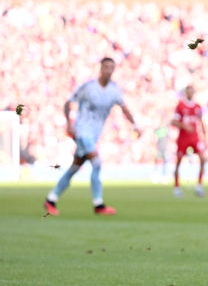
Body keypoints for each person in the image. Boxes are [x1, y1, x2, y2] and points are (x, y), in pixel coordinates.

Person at [43, 57, 140, 216]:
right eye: (106, 67)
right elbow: (68, 103)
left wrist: (135, 125)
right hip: (81, 131)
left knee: (74, 168)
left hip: (94, 135)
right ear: (101, 68)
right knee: (96, 162)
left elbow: (124, 108)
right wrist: (69, 123)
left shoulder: (114, 90)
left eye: (111, 68)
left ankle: (51, 199)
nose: (108, 70)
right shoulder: (88, 87)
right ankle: (98, 204)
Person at [171, 85, 206, 197]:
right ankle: (176, 187)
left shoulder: (197, 106)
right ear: (186, 93)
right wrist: (185, 126)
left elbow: (201, 121)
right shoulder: (180, 106)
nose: (190, 93)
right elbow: (173, 121)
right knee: (179, 162)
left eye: (192, 91)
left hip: (194, 137)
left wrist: (205, 136)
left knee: (203, 159)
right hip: (183, 138)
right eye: (188, 91)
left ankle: (199, 186)